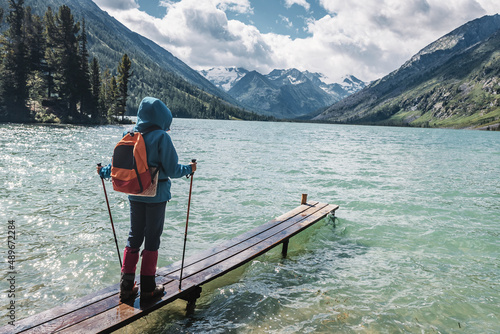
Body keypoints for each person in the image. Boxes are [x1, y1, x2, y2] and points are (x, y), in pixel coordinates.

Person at [97, 97, 196, 301]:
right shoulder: (162, 137)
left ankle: (126, 287)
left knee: (134, 236)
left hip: (134, 192)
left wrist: (103, 172)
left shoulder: (129, 134)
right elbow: (172, 169)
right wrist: (190, 169)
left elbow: (118, 167)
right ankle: (149, 288)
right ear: (162, 116)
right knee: (152, 239)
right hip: (156, 196)